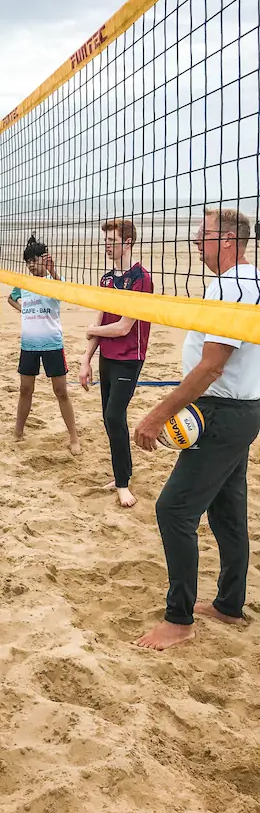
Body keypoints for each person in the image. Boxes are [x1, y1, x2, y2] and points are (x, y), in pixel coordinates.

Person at [133, 208, 260, 651]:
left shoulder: (237, 285)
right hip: (237, 409)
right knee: (227, 509)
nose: (194, 243)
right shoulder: (244, 281)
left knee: (174, 511)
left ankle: (179, 619)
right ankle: (229, 603)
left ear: (227, 239)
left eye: (201, 236)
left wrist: (156, 415)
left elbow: (211, 366)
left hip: (223, 412)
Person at [79, 219, 152, 508]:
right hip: (107, 358)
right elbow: (100, 320)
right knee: (110, 419)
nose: (107, 245)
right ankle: (122, 473)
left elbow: (122, 327)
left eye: (113, 241)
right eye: (105, 241)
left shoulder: (140, 279)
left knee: (114, 417)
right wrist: (86, 359)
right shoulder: (107, 279)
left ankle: (123, 483)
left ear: (128, 242)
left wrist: (93, 331)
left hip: (129, 359)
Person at [8, 242, 80, 454]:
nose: (31, 265)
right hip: (28, 345)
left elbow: (65, 293)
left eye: (34, 260)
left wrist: (53, 271)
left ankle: (74, 437)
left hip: (52, 344)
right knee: (25, 390)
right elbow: (11, 298)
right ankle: (18, 433)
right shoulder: (23, 283)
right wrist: (22, 309)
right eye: (28, 261)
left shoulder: (54, 281)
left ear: (44, 258)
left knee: (60, 391)